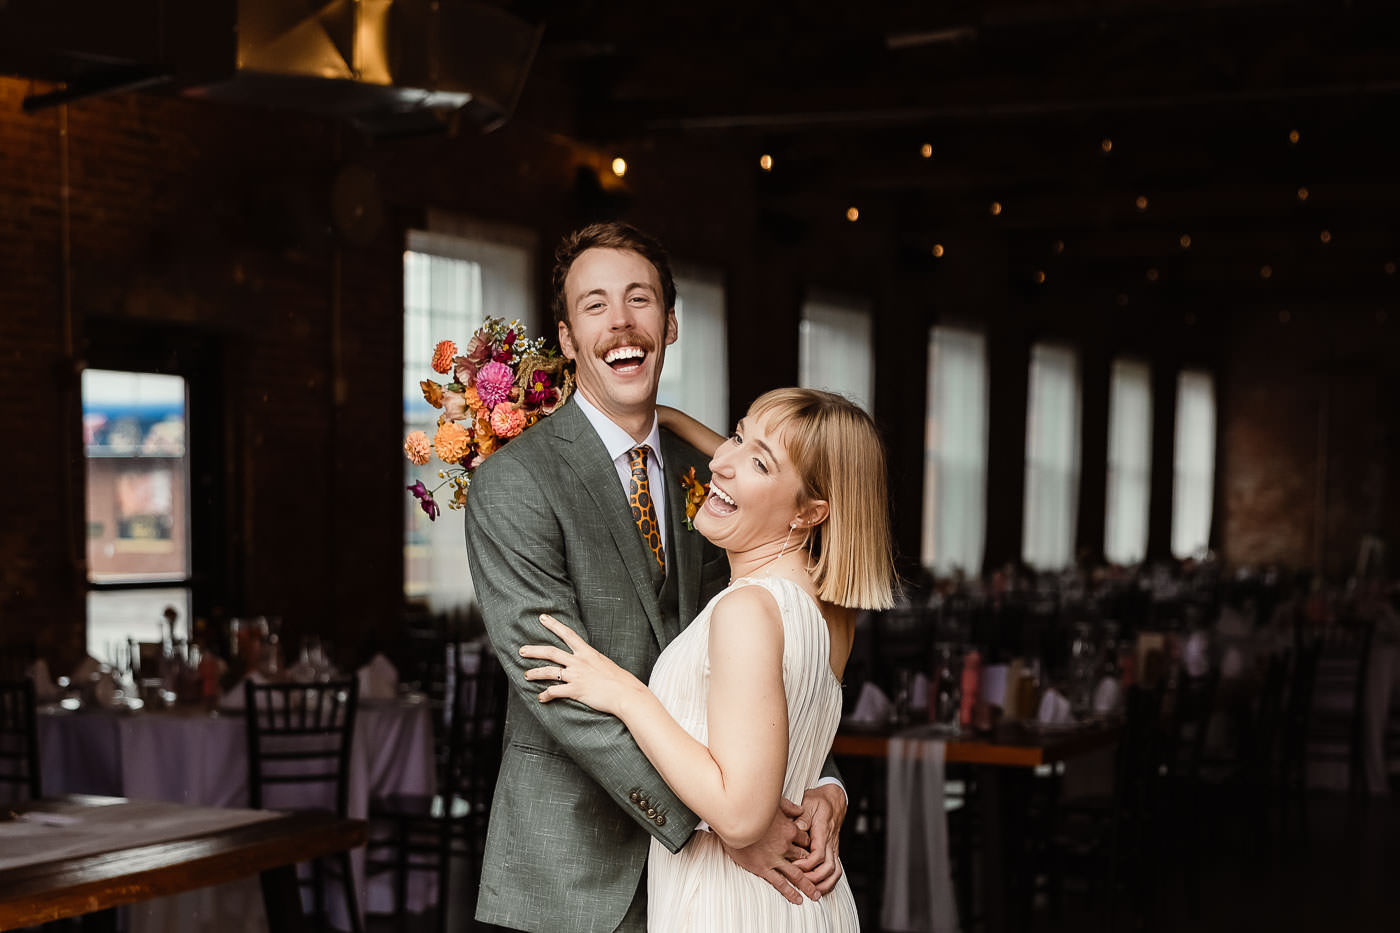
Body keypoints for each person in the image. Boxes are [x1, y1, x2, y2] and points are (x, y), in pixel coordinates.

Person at [463, 223, 850, 933]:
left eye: (640, 299)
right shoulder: (516, 482)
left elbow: (790, 645)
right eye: (595, 305)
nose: (621, 321)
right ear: (569, 337)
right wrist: (731, 822)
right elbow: (559, 689)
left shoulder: (719, 477)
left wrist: (823, 784)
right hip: (575, 881)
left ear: (670, 323)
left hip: (714, 888)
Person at [522, 387, 896, 931]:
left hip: (734, 905)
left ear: (813, 510)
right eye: (737, 436)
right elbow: (777, 468)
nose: (720, 461)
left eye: (757, 460)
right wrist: (660, 418)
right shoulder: (832, 608)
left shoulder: (746, 610)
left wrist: (628, 695)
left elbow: (742, 817)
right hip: (800, 904)